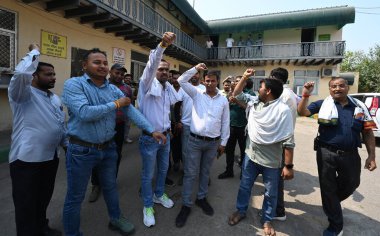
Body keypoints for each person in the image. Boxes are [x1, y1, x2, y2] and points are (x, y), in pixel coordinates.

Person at [61, 48, 166, 236]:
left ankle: (115, 218)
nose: (102, 66)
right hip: (82, 150)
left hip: (108, 148)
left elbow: (131, 111)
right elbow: (84, 113)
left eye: (104, 62)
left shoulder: (111, 89)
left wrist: (151, 130)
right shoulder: (73, 84)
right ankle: (72, 233)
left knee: (110, 187)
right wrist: (117, 104)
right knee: (75, 197)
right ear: (84, 65)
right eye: (96, 62)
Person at [297, 78, 377, 236]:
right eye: (333, 86)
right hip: (326, 152)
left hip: (351, 154)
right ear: (329, 89)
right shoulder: (323, 104)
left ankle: (331, 203)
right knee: (328, 188)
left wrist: (372, 156)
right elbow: (302, 112)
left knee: (352, 183)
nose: (337, 89)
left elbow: (367, 132)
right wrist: (305, 95)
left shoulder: (359, 106)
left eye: (341, 86)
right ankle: (335, 226)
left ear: (347, 88)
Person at [228, 69, 294, 236]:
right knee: (244, 186)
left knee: (271, 193)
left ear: (268, 91)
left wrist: (288, 166)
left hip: (272, 161)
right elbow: (237, 94)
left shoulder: (283, 111)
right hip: (251, 156)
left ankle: (267, 219)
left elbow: (288, 140)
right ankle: (241, 211)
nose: (259, 90)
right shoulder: (256, 102)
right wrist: (244, 77)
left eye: (261, 87)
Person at [8, 43, 66, 236]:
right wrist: (34, 52)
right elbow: (21, 75)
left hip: (50, 158)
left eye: (53, 74)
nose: (53, 77)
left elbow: (59, 126)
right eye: (48, 74)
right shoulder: (23, 95)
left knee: (42, 200)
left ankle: (42, 228)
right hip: (27, 160)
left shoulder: (53, 98)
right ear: (35, 75)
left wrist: (66, 145)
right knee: (26, 206)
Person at [175, 65, 230, 228]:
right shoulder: (196, 94)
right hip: (194, 141)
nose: (210, 83)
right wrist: (195, 69)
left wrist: (224, 143)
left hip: (213, 143)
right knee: (190, 174)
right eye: (207, 80)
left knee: (205, 172)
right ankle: (186, 205)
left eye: (213, 81)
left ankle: (201, 198)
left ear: (217, 81)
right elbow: (180, 80)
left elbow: (226, 122)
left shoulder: (223, 99)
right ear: (203, 81)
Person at [137, 32, 180, 227]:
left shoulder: (166, 87)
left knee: (163, 170)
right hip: (149, 139)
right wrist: (162, 45)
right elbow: (152, 63)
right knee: (148, 175)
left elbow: (174, 103)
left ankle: (159, 194)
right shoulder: (146, 84)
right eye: (161, 69)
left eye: (166, 70)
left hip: (166, 137)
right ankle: (147, 206)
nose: (163, 72)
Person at [87, 63, 131, 203]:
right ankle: (96, 185)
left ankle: (110, 182)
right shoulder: (99, 86)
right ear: (110, 72)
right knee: (97, 156)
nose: (119, 76)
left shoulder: (127, 89)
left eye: (122, 74)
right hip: (100, 126)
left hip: (119, 126)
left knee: (116, 155)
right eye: (117, 73)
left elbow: (130, 106)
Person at [268, 67, 300, 221]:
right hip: (284, 137)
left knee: (276, 178)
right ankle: (277, 207)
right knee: (276, 177)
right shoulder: (291, 93)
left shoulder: (281, 95)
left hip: (279, 140)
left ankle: (278, 210)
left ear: (273, 77)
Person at [218, 76, 251, 179]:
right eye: (236, 81)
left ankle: (244, 172)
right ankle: (229, 171)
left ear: (244, 83)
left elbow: (250, 109)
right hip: (231, 126)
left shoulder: (249, 94)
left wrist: (237, 102)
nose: (237, 83)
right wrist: (230, 96)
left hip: (243, 127)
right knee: (229, 150)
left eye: (240, 81)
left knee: (244, 151)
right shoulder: (230, 93)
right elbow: (224, 106)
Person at [123, 73, 135, 143]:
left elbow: (136, 96)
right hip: (120, 108)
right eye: (126, 78)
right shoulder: (121, 86)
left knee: (127, 124)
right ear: (124, 79)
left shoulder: (133, 87)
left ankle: (126, 137)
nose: (128, 80)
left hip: (130, 107)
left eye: (129, 79)